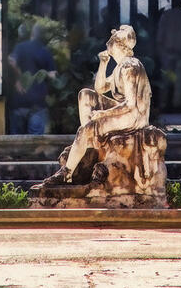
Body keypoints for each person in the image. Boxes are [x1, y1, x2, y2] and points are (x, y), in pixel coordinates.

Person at [48, 24, 151, 182]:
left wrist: (103, 114)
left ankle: (66, 173)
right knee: (85, 95)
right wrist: (103, 64)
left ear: (118, 43)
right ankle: (90, 142)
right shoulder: (120, 66)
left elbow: (131, 104)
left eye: (113, 37)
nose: (110, 37)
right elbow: (101, 88)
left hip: (133, 117)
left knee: (87, 129)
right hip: (124, 111)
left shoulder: (129, 67)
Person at [8, 23, 56, 134]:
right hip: (38, 104)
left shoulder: (20, 47)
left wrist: (18, 79)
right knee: (35, 144)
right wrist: (45, 75)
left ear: (32, 33)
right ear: (44, 36)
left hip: (19, 101)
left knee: (16, 143)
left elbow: (11, 61)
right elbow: (53, 76)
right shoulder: (45, 51)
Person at [156, 0, 181, 110]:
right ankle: (177, 105)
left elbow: (160, 35)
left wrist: (159, 49)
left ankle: (163, 103)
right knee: (179, 81)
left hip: (167, 52)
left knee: (166, 79)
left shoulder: (166, 15)